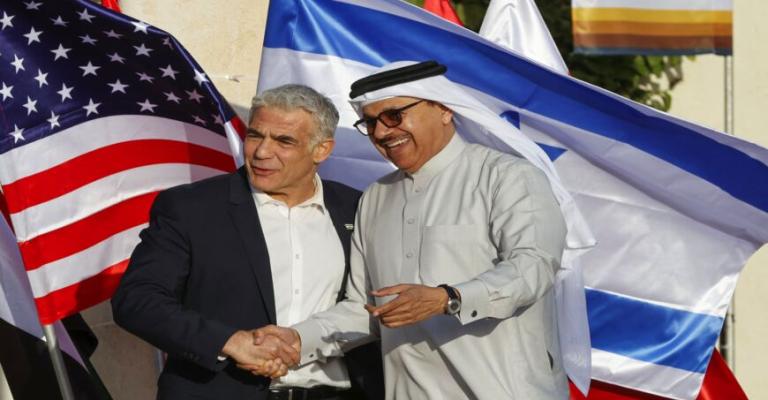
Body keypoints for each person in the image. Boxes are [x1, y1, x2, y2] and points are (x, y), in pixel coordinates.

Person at [267, 61, 595, 399]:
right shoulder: (376, 197)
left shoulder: (506, 176)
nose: (381, 132)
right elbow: (365, 310)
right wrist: (298, 339)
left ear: (443, 109)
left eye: (393, 115)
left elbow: (533, 267)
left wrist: (449, 298)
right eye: (370, 122)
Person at [112, 84, 382, 400]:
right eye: (255, 135)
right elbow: (137, 300)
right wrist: (229, 342)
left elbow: (377, 303)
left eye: (284, 141)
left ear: (321, 149)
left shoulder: (358, 208)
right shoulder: (191, 208)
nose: (262, 152)